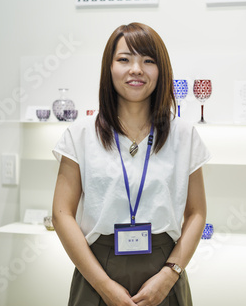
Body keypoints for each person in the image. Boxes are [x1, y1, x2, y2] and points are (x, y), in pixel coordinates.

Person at [52, 22, 210, 306]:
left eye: (148, 61)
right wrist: (103, 285)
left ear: (161, 71)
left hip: (164, 270)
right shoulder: (80, 134)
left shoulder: (184, 135)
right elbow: (62, 214)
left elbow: (197, 212)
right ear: (108, 68)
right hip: (97, 270)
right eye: (124, 59)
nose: (136, 69)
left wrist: (170, 274)